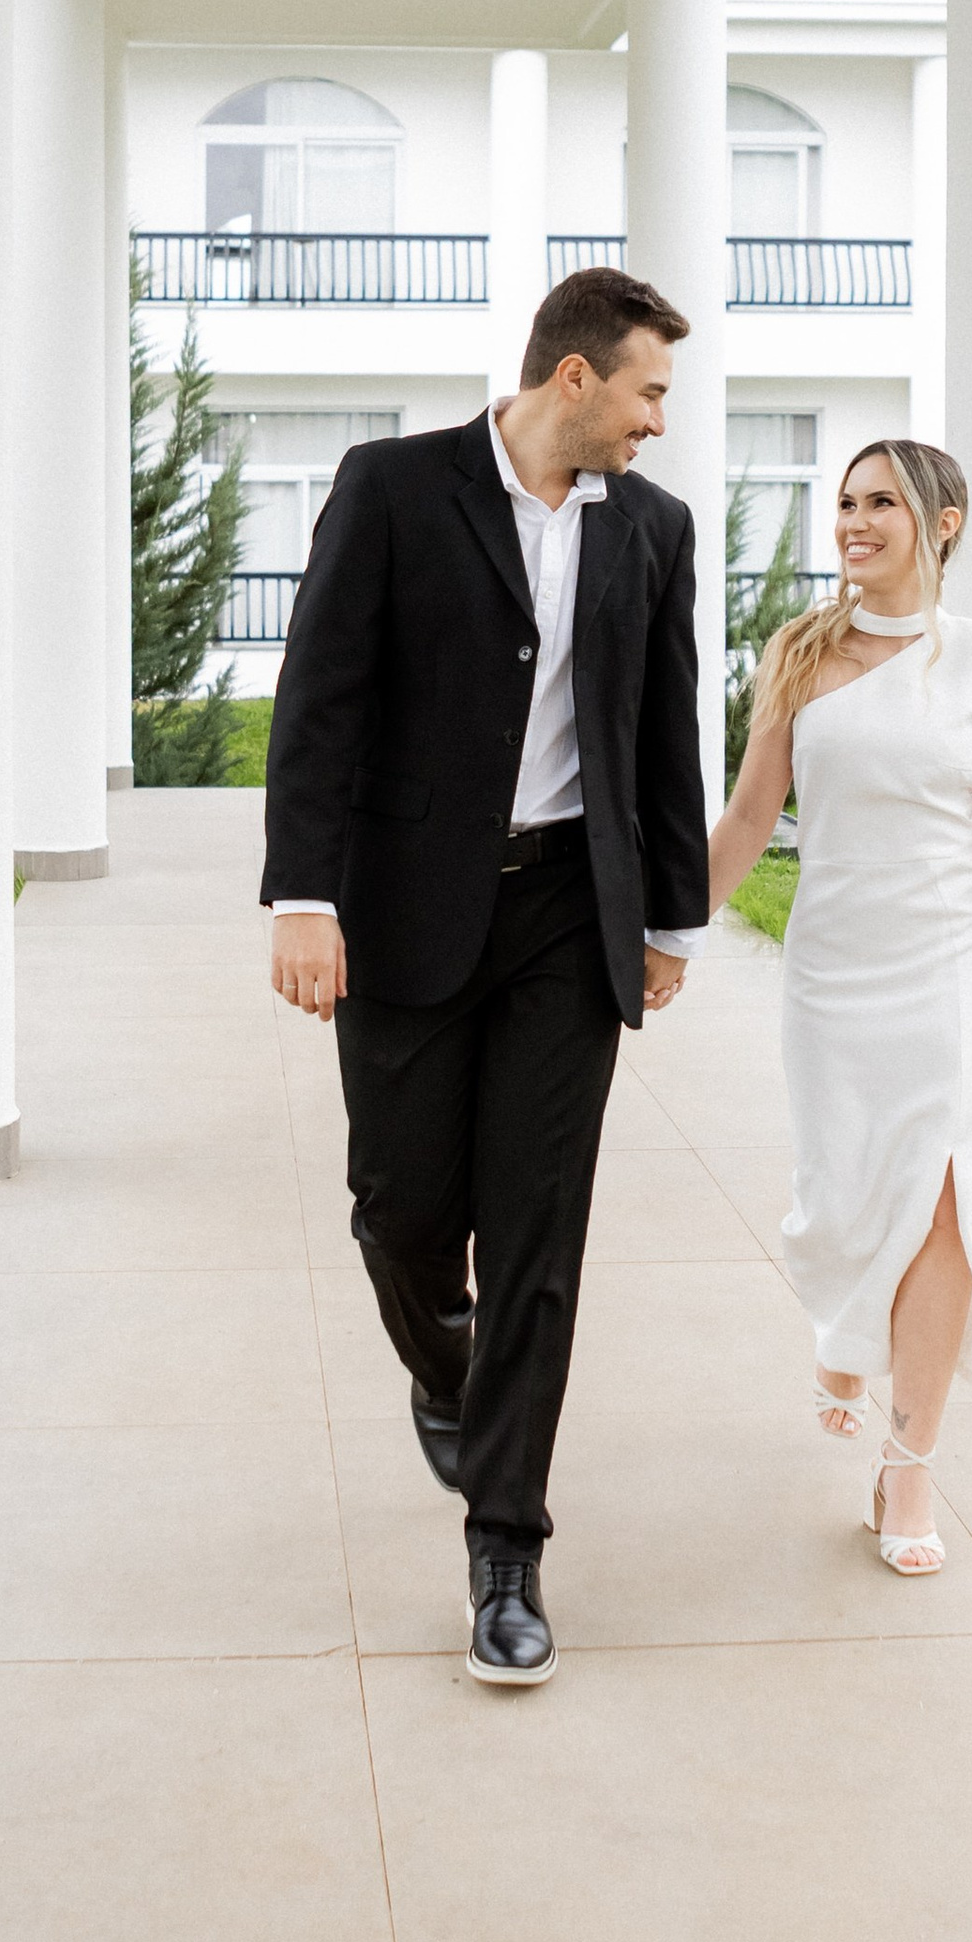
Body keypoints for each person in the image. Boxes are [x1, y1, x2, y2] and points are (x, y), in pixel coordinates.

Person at [265, 269, 710, 1685]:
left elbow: (663, 727)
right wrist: (302, 895)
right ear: (573, 378)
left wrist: (673, 920)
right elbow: (319, 698)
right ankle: (451, 1369)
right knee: (399, 1208)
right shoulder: (394, 489)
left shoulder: (654, 528)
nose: (657, 423)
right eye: (646, 392)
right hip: (403, 914)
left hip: (569, 924)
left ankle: (505, 1551)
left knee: (537, 1237)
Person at [706, 439, 972, 1573]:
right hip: (833, 975)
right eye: (844, 502)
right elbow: (746, 820)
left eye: (881, 501)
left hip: (950, 975)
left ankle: (907, 1468)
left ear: (943, 521)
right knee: (842, 1197)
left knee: (947, 1204)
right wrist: (661, 935)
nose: (854, 521)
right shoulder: (800, 653)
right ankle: (845, 1333)